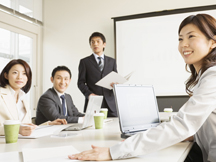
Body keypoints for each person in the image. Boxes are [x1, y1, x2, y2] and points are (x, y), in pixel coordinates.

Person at [69, 14, 216, 162]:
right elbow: (198, 125)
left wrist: (114, 152)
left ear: (213, 42)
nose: (184, 44)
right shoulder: (204, 77)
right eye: (180, 38)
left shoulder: (213, 77)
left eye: (191, 37)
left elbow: (183, 125)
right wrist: (180, 135)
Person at [0, 59, 67, 136]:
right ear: (6, 75)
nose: (19, 77)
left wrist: (49, 124)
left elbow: (27, 127)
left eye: (24, 73)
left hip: (22, 144)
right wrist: (17, 129)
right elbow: (19, 129)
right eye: (15, 73)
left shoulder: (24, 100)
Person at [78, 32, 118, 117]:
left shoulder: (112, 61)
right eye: (92, 42)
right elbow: (80, 83)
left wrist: (116, 84)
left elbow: (115, 78)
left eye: (98, 41)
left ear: (104, 44)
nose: (95, 44)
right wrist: (89, 94)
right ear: (90, 45)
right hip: (93, 103)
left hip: (111, 104)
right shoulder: (84, 62)